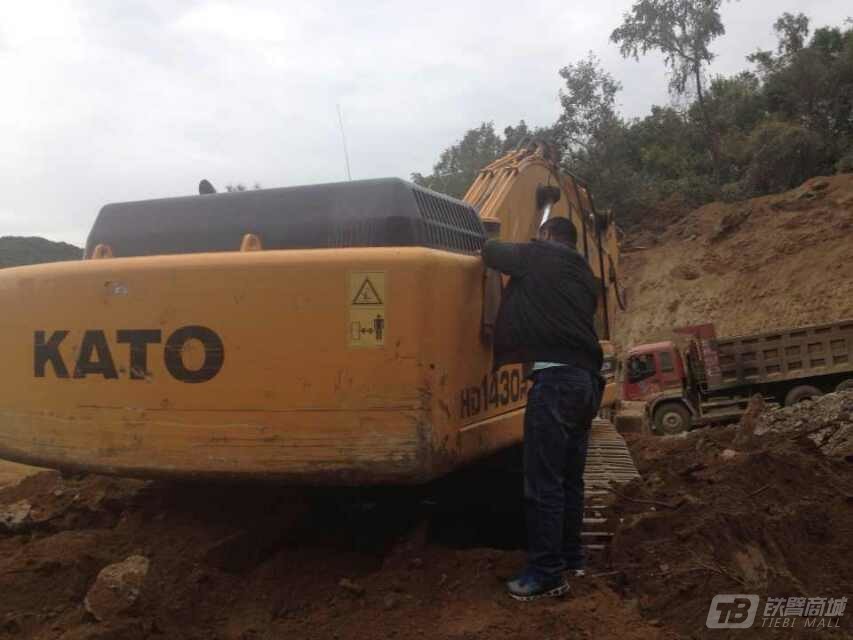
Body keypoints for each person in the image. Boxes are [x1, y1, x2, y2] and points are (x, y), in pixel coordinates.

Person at [481, 216, 604, 601]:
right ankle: (571, 558)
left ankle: (546, 573)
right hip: (586, 383)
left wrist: (497, 234)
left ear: (548, 236)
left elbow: (490, 252)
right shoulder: (586, 276)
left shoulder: (539, 254)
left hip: (554, 382)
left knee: (543, 481)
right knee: (570, 479)